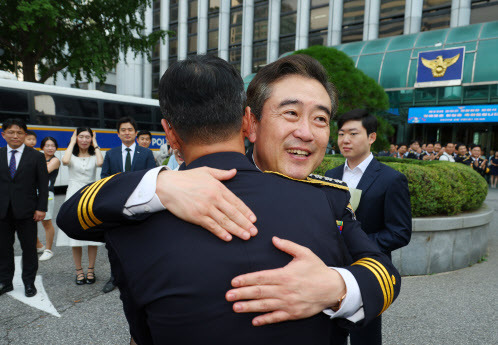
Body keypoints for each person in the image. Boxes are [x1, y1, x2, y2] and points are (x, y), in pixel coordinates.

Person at [58, 54, 400, 345]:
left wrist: (337, 286)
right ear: (250, 122)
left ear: (171, 132)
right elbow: (74, 214)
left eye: (321, 119)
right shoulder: (156, 197)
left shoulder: (329, 198)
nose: (307, 133)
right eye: (291, 113)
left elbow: (384, 272)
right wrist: (162, 185)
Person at [325, 109, 412, 345]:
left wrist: (359, 245)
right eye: (341, 133)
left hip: (369, 268)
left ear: (371, 137)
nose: (345, 140)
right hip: (332, 267)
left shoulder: (390, 179)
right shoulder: (329, 175)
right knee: (329, 331)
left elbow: (400, 232)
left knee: (365, 335)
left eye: (353, 133)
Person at [100, 117, 157, 293]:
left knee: (141, 241)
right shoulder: (111, 154)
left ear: (135, 132)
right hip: (116, 205)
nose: (127, 132)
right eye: (123, 130)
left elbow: (152, 177)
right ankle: (114, 277)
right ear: (118, 134)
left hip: (140, 204)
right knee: (114, 242)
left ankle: (141, 277)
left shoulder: (146, 154)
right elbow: (104, 178)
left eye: (130, 129)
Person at [0, 119, 48, 297]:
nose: (15, 136)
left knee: (29, 248)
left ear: (25, 135)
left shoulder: (35, 156)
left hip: (28, 212)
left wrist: (41, 208)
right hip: (2, 211)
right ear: (3, 134)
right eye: (11, 132)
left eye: (19, 132)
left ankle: (29, 283)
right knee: (3, 248)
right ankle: (5, 282)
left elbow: (43, 185)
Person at [56, 128, 104, 285]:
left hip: (90, 195)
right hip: (73, 196)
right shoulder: (71, 156)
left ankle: (91, 269)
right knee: (74, 236)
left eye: (87, 137)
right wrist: (71, 141)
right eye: (81, 137)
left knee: (92, 234)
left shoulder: (94, 155)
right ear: (76, 139)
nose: (84, 140)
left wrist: (95, 143)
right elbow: (64, 161)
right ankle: (79, 271)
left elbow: (100, 162)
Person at [37, 137, 60, 261]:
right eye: (47, 145)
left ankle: (48, 250)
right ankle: (38, 246)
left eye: (53, 146)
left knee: (46, 222)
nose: (50, 148)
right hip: (32, 192)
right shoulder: (39, 158)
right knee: (30, 221)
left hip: (46, 194)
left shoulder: (55, 160)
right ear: (42, 147)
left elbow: (44, 171)